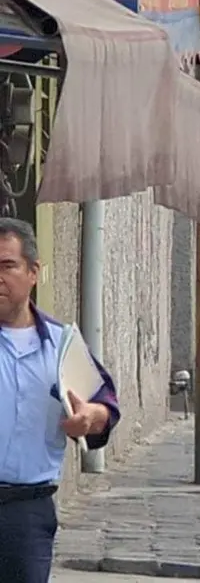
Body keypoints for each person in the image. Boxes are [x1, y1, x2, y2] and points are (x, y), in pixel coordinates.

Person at [0, 217, 119, 582]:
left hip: (27, 513)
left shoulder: (62, 344)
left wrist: (90, 417)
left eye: (7, 266)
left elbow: (105, 404)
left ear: (33, 272)